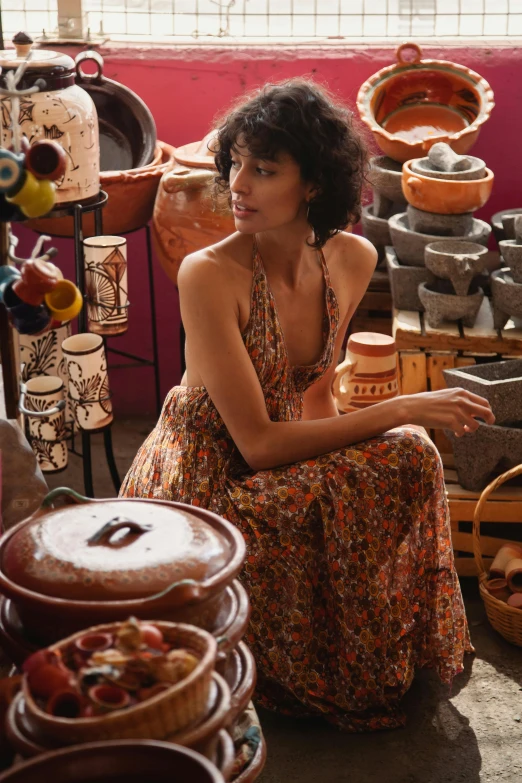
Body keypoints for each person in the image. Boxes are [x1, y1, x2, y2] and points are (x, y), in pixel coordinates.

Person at [120, 79, 495, 731]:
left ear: (314, 185)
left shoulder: (351, 258)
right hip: (210, 478)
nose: (238, 183)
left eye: (263, 170)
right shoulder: (208, 273)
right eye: (235, 163)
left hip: (277, 454)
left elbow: (318, 394)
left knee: (410, 457)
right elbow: (257, 446)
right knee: (400, 436)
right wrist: (402, 408)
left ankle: (361, 634)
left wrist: (340, 496)